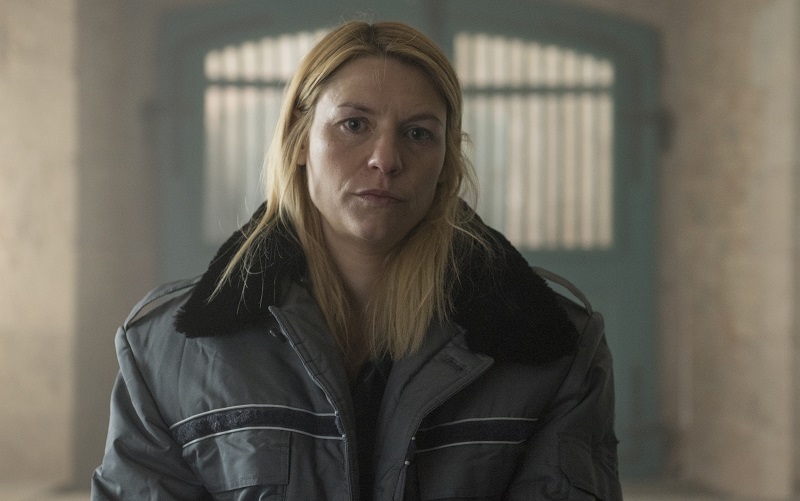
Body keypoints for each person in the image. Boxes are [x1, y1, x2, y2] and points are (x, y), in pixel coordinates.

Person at [91, 20, 621, 500]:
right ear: (299, 140)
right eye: (353, 125)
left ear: (446, 161)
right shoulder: (167, 351)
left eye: (418, 133)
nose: (385, 159)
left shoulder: (555, 351)